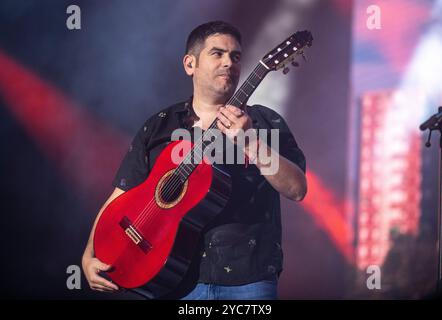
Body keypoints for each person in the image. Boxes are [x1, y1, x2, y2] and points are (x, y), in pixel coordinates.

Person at [82, 20, 307, 300]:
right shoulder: (160, 126)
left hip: (247, 279)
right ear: (190, 64)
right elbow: (121, 196)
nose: (229, 63)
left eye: (235, 56)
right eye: (217, 54)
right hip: (170, 280)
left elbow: (297, 189)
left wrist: (249, 141)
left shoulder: (264, 122)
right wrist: (89, 254)